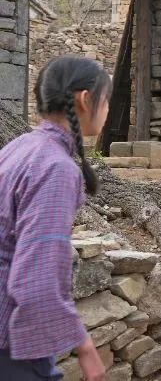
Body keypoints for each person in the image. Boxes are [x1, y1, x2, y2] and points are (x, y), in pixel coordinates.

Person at [0, 56, 112, 381]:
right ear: (85, 99)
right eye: (106, 100)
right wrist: (87, 350)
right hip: (12, 345)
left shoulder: (20, 146)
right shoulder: (56, 168)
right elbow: (37, 277)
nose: (108, 110)